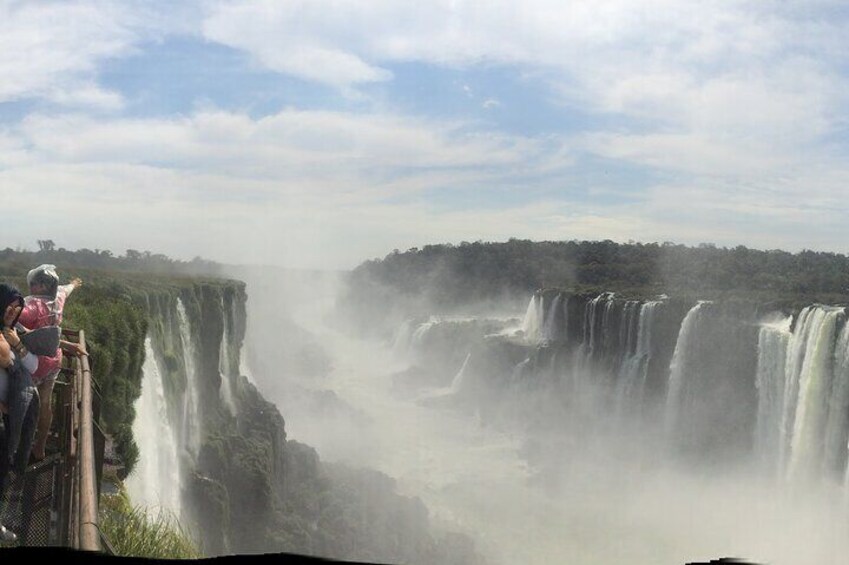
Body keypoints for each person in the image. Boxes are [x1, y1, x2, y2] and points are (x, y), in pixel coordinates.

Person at [16, 265, 83, 462]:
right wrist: (74, 283)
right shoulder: (59, 296)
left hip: (34, 361)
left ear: (42, 286)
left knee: (23, 402)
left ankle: (18, 447)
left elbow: (11, 315)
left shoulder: (33, 307)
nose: (31, 287)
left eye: (34, 284)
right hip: (55, 359)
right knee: (45, 404)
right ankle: (40, 448)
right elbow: (67, 288)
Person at [0, 283, 41, 543]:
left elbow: (34, 366)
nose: (13, 311)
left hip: (9, 415)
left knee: (3, 467)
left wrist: (16, 342)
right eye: (9, 305)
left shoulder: (15, 331)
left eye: (18, 307)